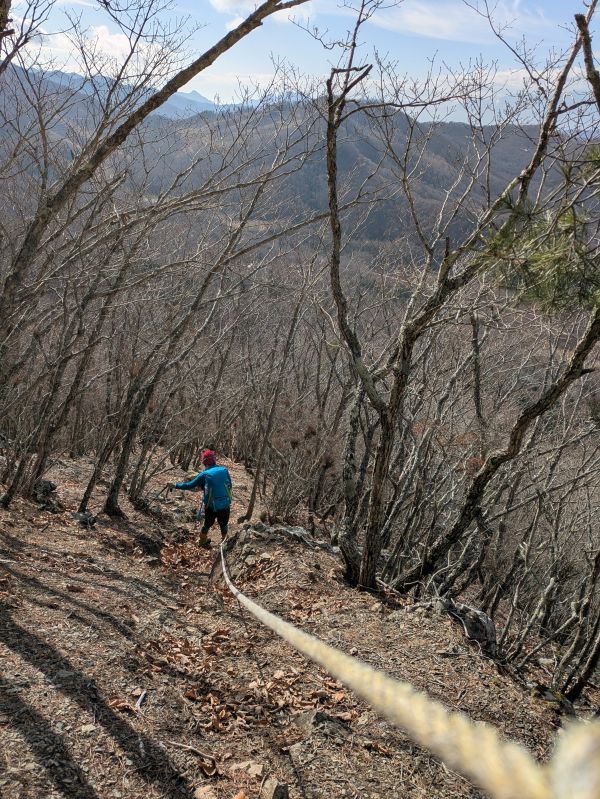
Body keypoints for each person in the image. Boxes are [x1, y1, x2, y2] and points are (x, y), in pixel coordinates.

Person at [170, 450, 232, 548]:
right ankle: (224, 543)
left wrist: (175, 485)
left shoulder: (204, 474)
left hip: (210, 505)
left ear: (205, 463)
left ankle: (202, 542)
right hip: (225, 504)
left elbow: (189, 485)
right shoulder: (224, 470)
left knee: (207, 524)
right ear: (214, 461)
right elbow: (230, 485)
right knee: (223, 525)